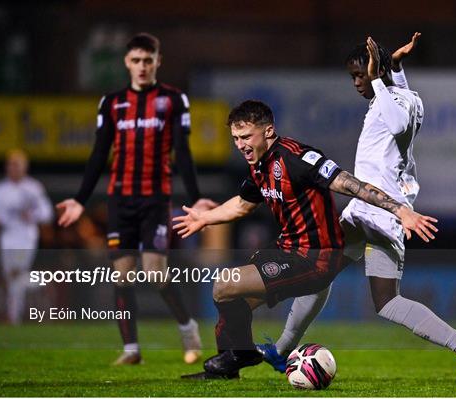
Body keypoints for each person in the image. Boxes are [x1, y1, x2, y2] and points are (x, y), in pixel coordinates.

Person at [259, 34, 456, 386]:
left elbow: (397, 123)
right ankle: (281, 349)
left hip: (381, 211)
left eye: (361, 75)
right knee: (325, 273)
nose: (357, 83)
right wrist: (394, 69)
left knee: (380, 299)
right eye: (353, 76)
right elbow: (399, 104)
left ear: (375, 72)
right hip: (367, 210)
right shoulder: (407, 96)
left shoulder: (389, 100)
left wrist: (381, 76)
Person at [173, 99, 438, 379]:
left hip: (315, 258)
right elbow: (242, 204)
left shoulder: (296, 158)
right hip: (287, 250)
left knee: (225, 285)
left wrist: (400, 210)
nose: (241, 145)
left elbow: (351, 184)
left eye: (246, 136)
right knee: (237, 303)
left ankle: (239, 354)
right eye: (236, 138)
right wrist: (205, 218)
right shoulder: (258, 163)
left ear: (268, 131)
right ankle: (230, 364)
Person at [56, 32, 216, 365]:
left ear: (157, 61)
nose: (142, 67)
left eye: (148, 60)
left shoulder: (173, 100)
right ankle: (132, 350)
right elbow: (99, 153)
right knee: (122, 275)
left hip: (155, 199)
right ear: (126, 62)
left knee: (155, 272)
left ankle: (189, 330)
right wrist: (80, 200)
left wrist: (197, 197)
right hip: (120, 200)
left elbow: (182, 152)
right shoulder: (111, 103)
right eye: (136, 60)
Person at [0, 149, 53, 324]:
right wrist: (15, 215)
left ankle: (13, 318)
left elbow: (46, 213)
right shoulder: (1, 189)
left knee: (16, 275)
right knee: (11, 278)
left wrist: (31, 216)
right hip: (8, 237)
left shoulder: (33, 188)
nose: (13, 168)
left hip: (25, 237)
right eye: (10, 164)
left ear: (24, 167)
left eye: (17, 164)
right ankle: (40, 282)